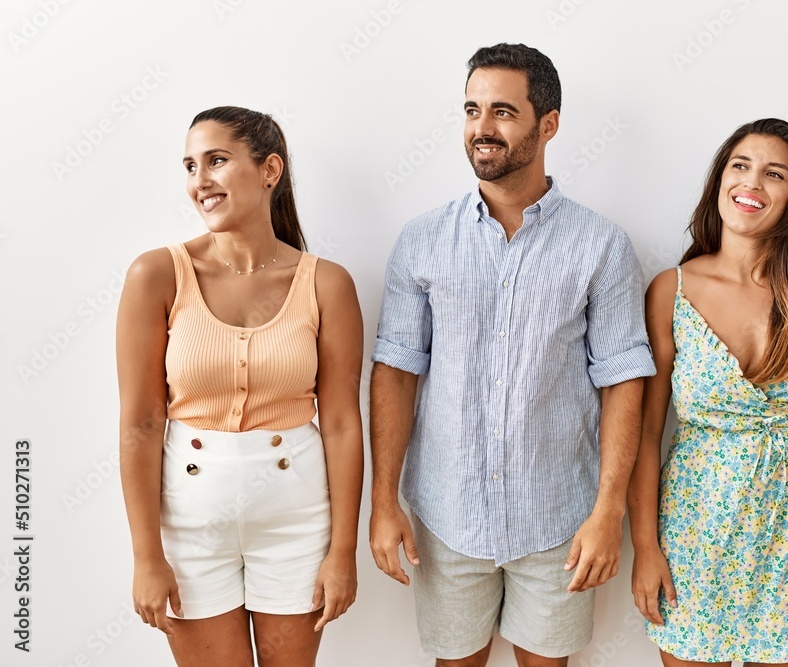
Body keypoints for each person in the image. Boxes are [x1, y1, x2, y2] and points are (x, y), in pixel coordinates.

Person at [368, 43, 656, 667]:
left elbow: (623, 382)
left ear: (547, 124)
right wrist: (382, 501)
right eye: (472, 110)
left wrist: (609, 511)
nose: (482, 128)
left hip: (559, 518)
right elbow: (395, 372)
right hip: (447, 515)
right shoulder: (422, 240)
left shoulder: (601, 246)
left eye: (503, 111)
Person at [117, 106, 364, 667]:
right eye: (189, 166)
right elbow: (140, 423)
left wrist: (343, 552)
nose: (199, 180)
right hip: (188, 521)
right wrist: (146, 555)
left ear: (269, 169)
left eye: (217, 161)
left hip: (298, 520)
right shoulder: (155, 275)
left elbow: (345, 424)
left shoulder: (327, 282)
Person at [628, 118, 788, 666]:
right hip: (697, 529)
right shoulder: (672, 291)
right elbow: (644, 434)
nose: (752, 183)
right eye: (740, 166)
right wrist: (645, 547)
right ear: (720, 179)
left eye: (775, 174)